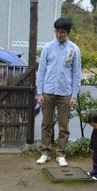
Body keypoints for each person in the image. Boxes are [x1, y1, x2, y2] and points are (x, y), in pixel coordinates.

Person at [36, 17, 82, 167]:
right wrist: (39, 93)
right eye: (57, 31)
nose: (59, 34)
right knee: (46, 124)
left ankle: (61, 154)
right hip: (48, 90)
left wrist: (74, 95)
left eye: (62, 32)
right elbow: (41, 71)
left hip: (65, 92)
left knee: (64, 125)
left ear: (68, 32)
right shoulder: (48, 48)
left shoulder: (74, 49)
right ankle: (45, 152)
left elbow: (76, 73)